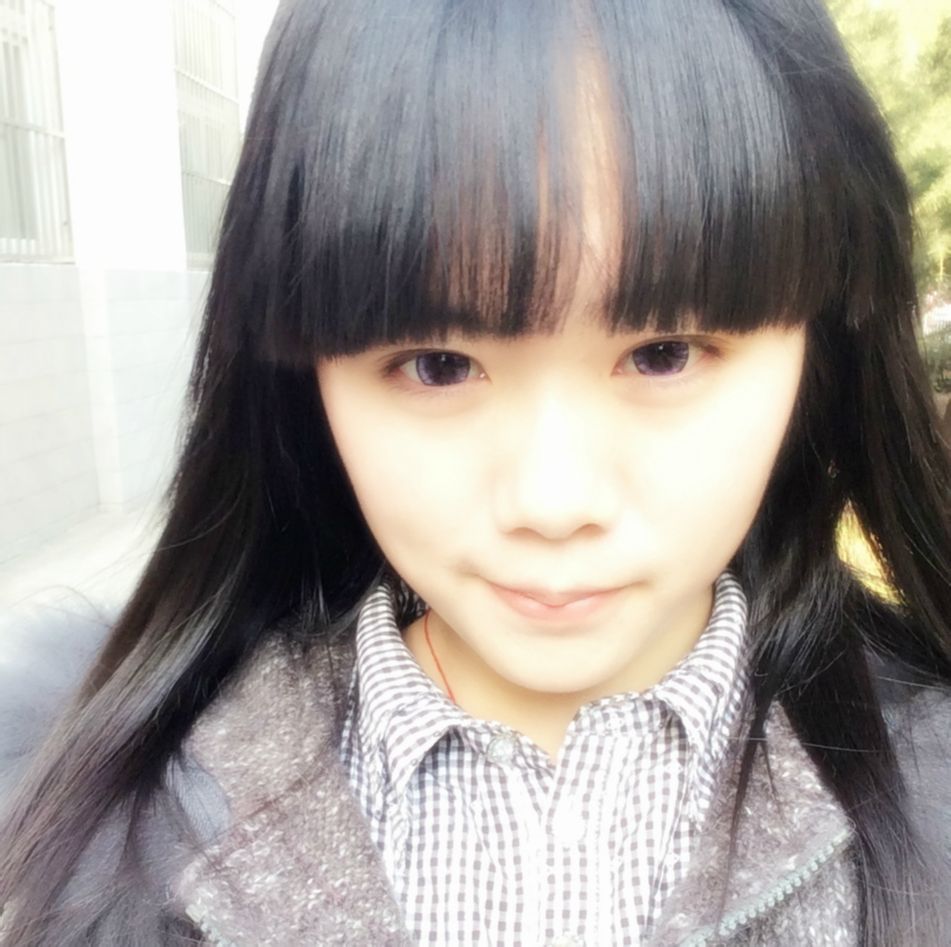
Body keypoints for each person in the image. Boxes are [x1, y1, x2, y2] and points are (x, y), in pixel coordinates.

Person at [2, 0, 950, 943]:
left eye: (662, 353)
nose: (553, 502)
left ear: (819, 349)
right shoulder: (84, 840)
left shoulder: (930, 785)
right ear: (304, 381)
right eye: (438, 365)